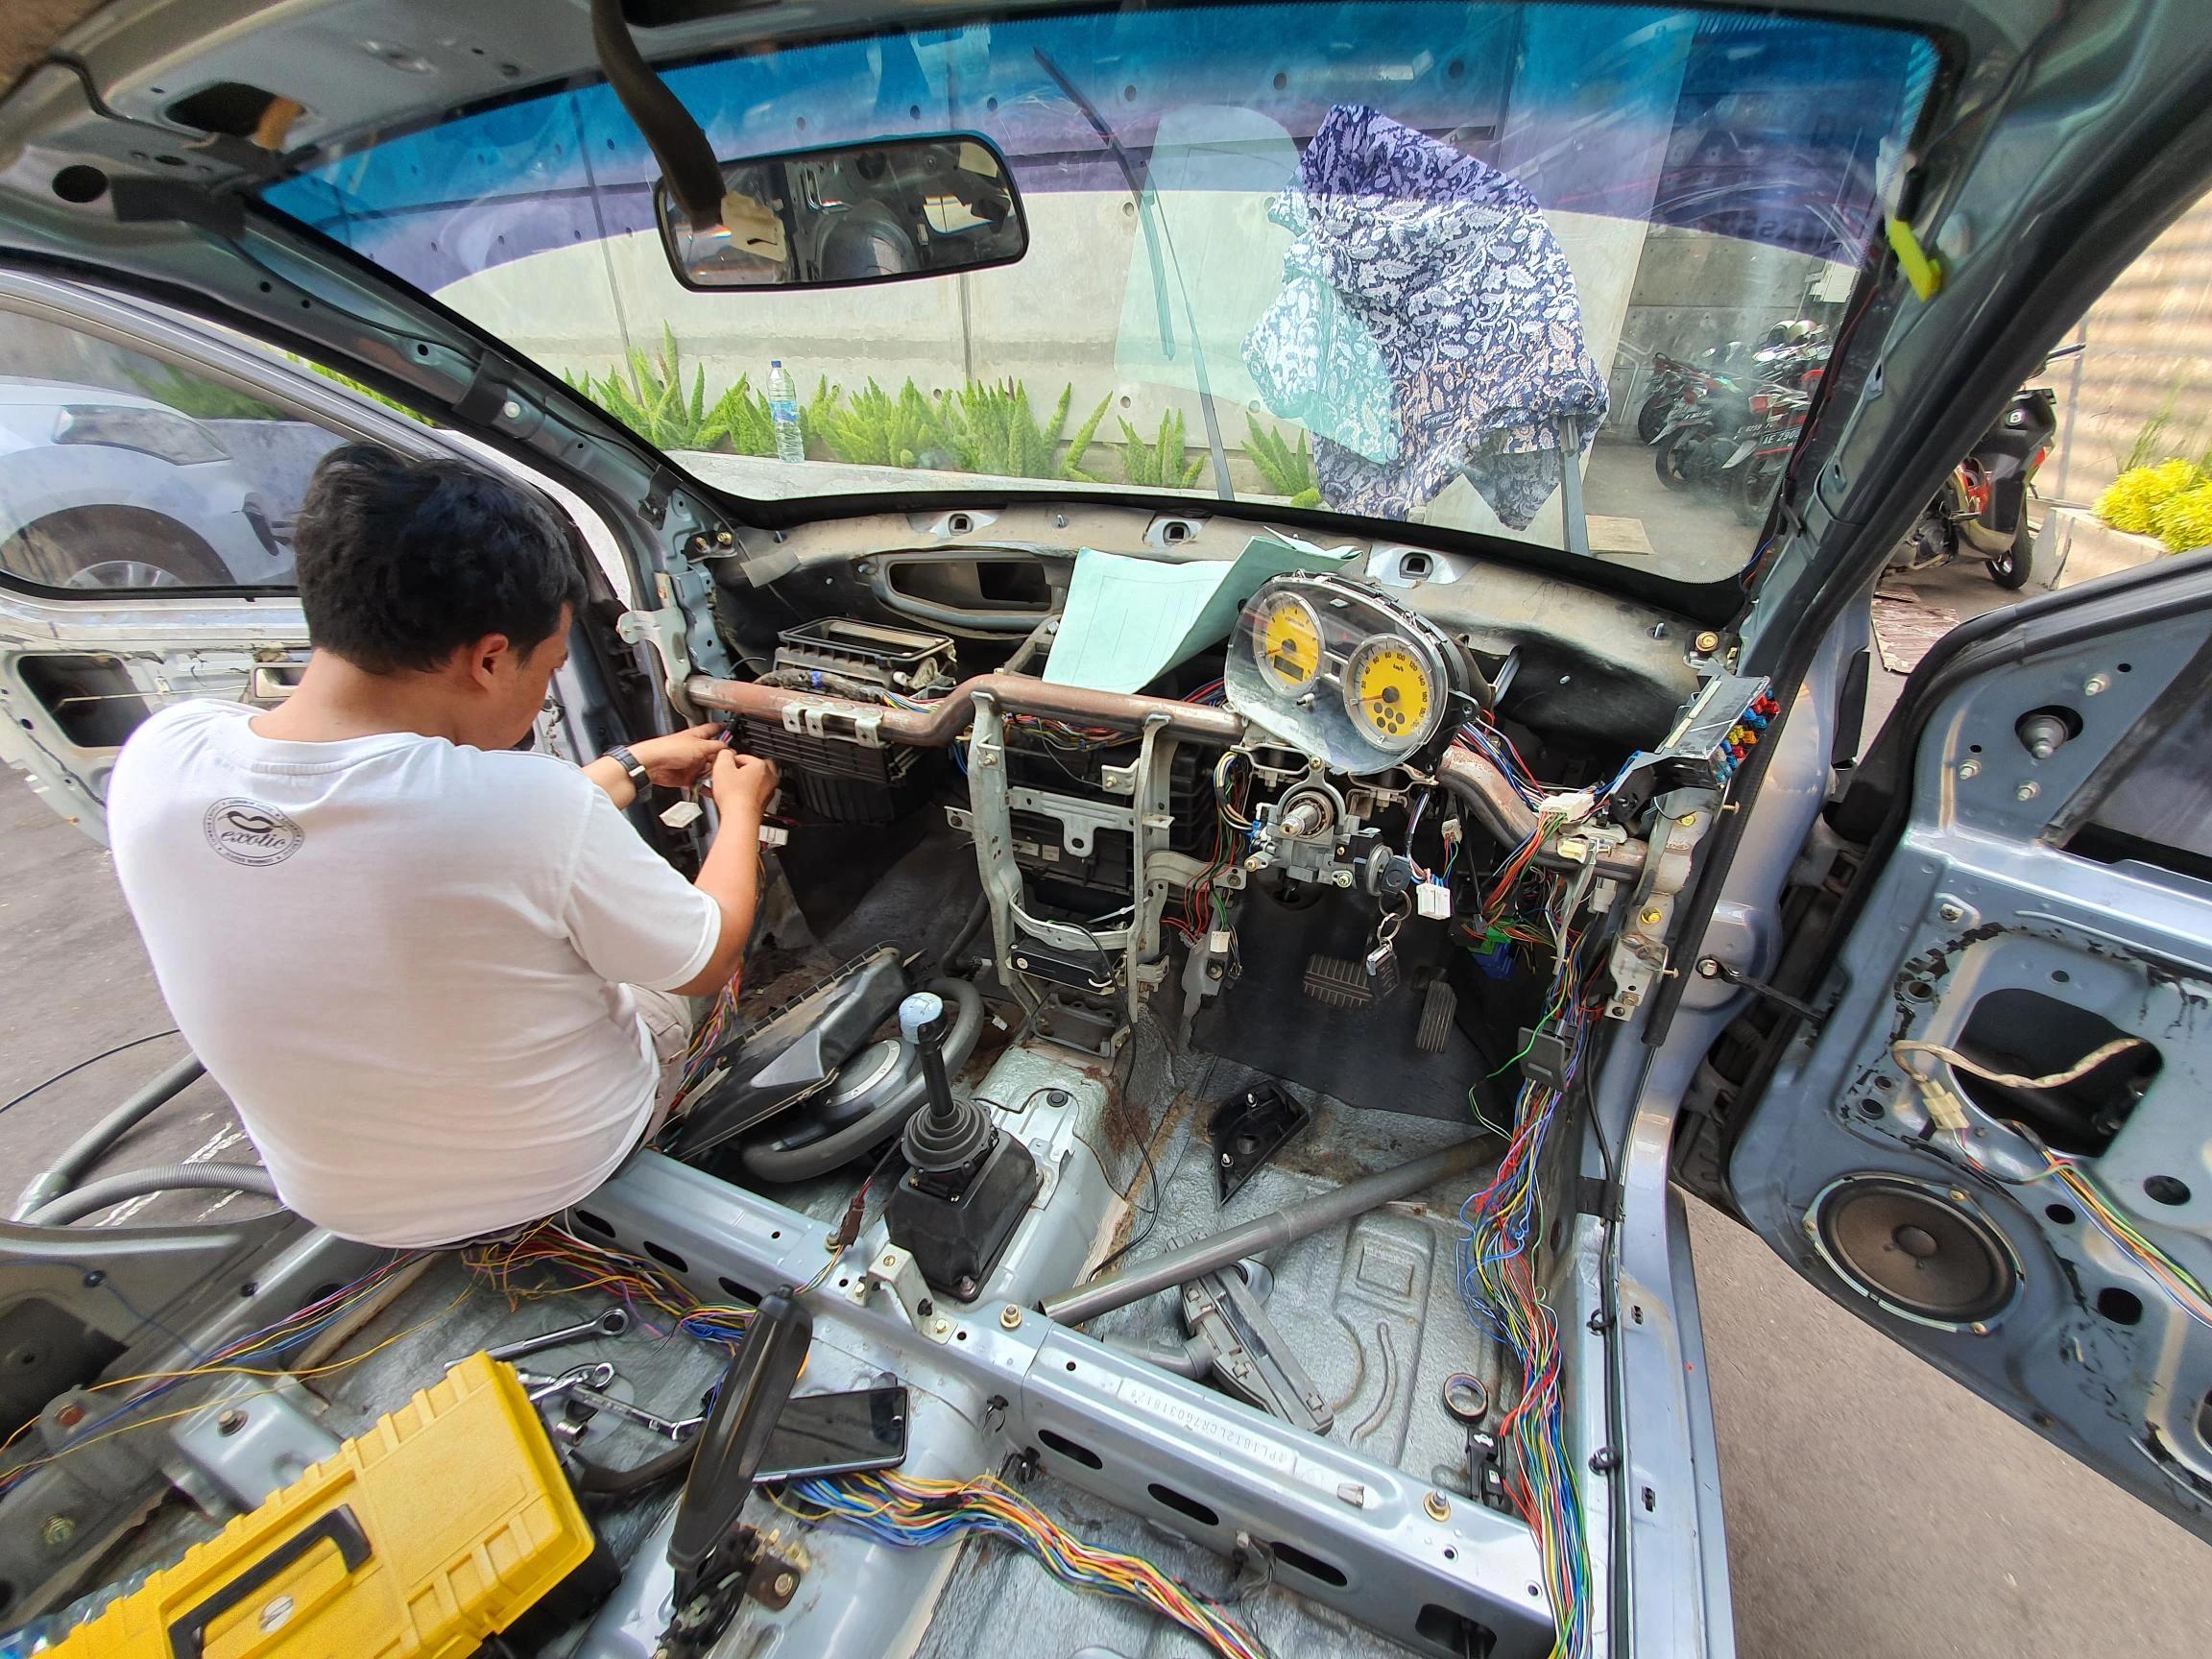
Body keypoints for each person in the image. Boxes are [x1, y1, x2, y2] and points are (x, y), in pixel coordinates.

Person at [106, 445, 779, 1248]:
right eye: (551, 664)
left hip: (329, 1197)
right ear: (490, 658)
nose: (543, 689)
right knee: (674, 981)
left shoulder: (161, 751)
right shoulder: (530, 809)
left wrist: (625, 768)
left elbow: (434, 843)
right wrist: (741, 811)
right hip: (563, 1165)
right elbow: (705, 954)